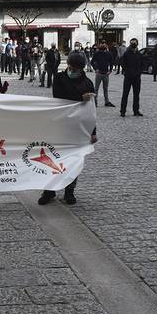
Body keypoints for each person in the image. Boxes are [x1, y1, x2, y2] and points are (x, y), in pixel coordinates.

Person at [38, 52, 97, 206]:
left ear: (81, 68)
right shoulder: (59, 78)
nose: (72, 70)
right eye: (70, 67)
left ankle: (69, 191)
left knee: (74, 162)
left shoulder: (88, 83)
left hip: (78, 130)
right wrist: (80, 98)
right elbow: (60, 97)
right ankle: (49, 191)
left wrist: (93, 132)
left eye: (75, 68)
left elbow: (90, 111)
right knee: (53, 160)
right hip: (59, 126)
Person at [120, 38, 144, 117]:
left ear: (137, 43)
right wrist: (126, 71)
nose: (133, 44)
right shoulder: (127, 53)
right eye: (132, 43)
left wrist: (139, 72)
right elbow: (123, 63)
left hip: (137, 77)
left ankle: (136, 111)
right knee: (125, 94)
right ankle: (123, 111)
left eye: (135, 43)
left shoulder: (139, 54)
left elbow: (142, 64)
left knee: (136, 95)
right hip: (128, 77)